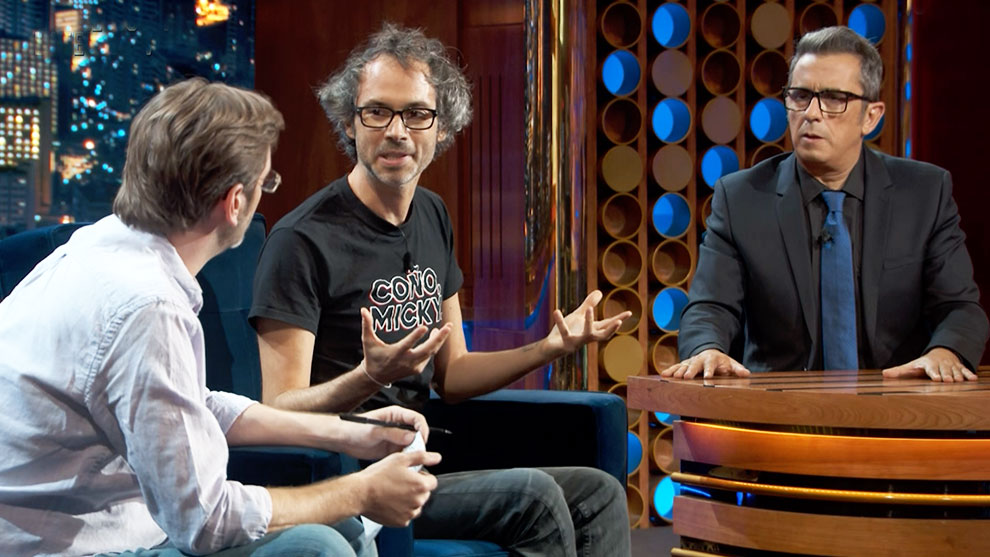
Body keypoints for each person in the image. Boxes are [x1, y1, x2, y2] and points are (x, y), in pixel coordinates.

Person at [0, 78, 442, 557]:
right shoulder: (147, 308)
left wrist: (351, 432)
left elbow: (189, 405)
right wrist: (360, 492)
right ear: (234, 203)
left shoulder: (98, 247)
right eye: (265, 183)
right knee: (317, 546)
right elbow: (205, 520)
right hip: (60, 547)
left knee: (341, 530)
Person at [249, 24, 632, 556]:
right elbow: (278, 409)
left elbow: (453, 374)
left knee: (599, 493)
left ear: (442, 126)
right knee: (536, 498)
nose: (397, 132)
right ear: (349, 122)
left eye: (417, 114)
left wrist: (548, 348)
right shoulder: (302, 240)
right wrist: (368, 377)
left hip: (423, 458)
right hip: (352, 477)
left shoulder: (432, 214)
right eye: (377, 112)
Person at [663, 26, 988, 381]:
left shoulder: (924, 193)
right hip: (780, 408)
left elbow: (960, 308)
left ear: (871, 116)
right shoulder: (741, 198)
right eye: (800, 96)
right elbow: (710, 307)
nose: (812, 113)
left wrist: (945, 352)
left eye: (834, 98)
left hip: (895, 400)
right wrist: (707, 348)